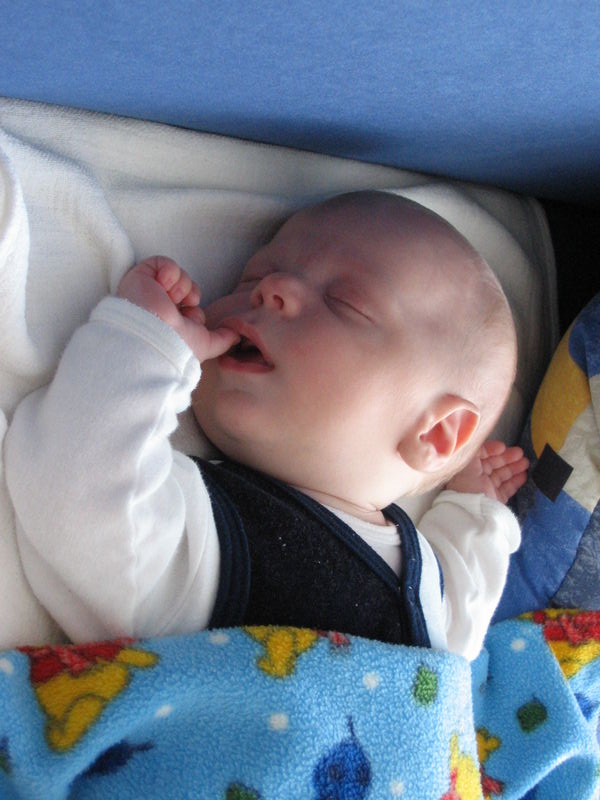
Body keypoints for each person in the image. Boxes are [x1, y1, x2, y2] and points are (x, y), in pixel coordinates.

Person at [5, 191, 527, 659]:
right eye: (251, 278)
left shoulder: (427, 588)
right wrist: (144, 345)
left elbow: (467, 607)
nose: (271, 288)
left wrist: (473, 509)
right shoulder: (207, 533)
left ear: (435, 434)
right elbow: (75, 490)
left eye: (345, 303)